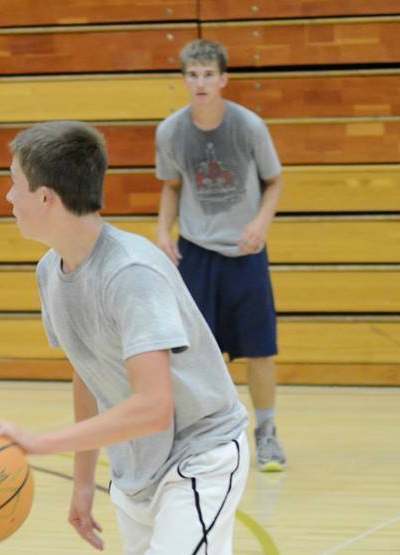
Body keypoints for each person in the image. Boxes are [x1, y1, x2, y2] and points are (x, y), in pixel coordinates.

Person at [0, 121, 322, 555]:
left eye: (13, 181)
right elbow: (86, 375)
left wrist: (39, 443)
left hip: (200, 457)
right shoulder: (50, 272)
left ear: (45, 197)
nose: (7, 194)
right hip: (137, 468)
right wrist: (83, 482)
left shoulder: (131, 274)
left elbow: (155, 406)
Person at [154, 39, 287, 472]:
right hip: (196, 253)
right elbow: (171, 187)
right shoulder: (171, 131)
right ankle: (204, 436)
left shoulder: (248, 126)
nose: (200, 82)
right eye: (192, 75)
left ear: (224, 79)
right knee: (194, 353)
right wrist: (161, 231)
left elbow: (275, 182)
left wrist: (260, 224)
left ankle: (266, 433)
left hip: (245, 252)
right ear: (183, 80)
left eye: (209, 74)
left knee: (260, 348)